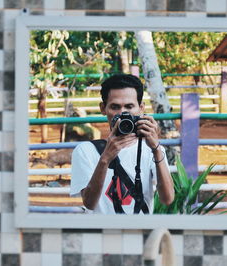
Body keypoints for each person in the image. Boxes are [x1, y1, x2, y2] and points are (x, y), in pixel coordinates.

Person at [70, 74, 174, 214]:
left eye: (129, 106)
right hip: (102, 232)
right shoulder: (86, 150)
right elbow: (89, 203)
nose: (122, 113)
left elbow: (167, 199)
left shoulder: (152, 149)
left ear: (141, 108)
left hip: (140, 232)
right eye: (115, 107)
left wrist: (156, 149)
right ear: (103, 108)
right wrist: (105, 158)